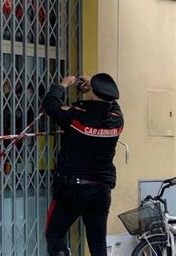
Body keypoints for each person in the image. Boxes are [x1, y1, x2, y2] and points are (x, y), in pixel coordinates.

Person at [43, 73, 124, 256]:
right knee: (97, 244)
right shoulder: (116, 120)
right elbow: (114, 106)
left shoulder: (77, 117)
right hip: (100, 190)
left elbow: (50, 105)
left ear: (92, 93)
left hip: (72, 189)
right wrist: (95, 89)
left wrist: (63, 85)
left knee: (55, 235)